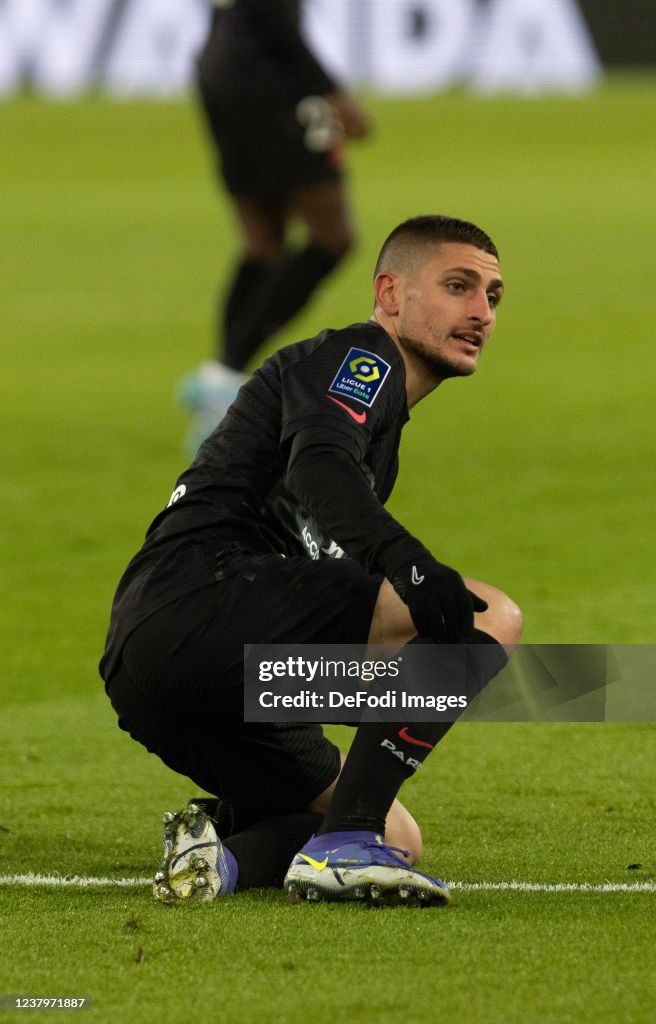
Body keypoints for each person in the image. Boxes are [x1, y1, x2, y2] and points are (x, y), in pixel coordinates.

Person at [100, 214, 523, 908]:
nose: (481, 312)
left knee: (399, 830)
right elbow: (322, 465)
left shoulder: (376, 406)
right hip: (207, 598)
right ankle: (344, 846)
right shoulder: (363, 357)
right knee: (490, 619)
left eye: (494, 297)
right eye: (458, 286)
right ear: (391, 293)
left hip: (157, 672)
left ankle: (216, 852)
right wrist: (408, 564)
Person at [180, 0, 371, 450]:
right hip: (269, 78)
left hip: (220, 70)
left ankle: (218, 377)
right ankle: (224, 381)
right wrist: (333, 94)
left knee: (263, 244)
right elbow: (275, 18)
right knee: (333, 238)